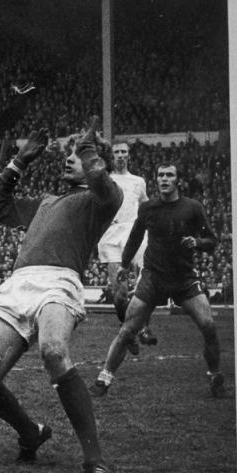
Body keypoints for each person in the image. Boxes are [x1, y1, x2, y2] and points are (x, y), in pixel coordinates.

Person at [0, 117, 121, 473]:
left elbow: (100, 179)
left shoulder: (103, 199)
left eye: (76, 156)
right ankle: (31, 431)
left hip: (58, 282)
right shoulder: (46, 203)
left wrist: (89, 149)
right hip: (19, 284)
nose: (68, 160)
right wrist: (19, 161)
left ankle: (95, 460)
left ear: (97, 162)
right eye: (68, 155)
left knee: (54, 351)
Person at [90, 163, 225, 398]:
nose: (164, 179)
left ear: (177, 180)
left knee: (209, 326)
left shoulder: (193, 208)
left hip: (184, 278)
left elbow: (212, 240)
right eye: (160, 175)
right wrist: (123, 265)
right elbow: (134, 238)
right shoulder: (148, 208)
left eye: (169, 175)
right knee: (127, 329)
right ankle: (104, 379)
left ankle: (215, 377)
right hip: (154, 278)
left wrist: (198, 242)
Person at [96, 141, 155, 354]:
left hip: (134, 232)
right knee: (119, 294)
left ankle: (143, 327)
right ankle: (127, 329)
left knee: (144, 283)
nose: (120, 155)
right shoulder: (105, 180)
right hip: (110, 234)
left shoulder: (138, 181)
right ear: (111, 156)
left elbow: (146, 206)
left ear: (129, 155)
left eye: (124, 152)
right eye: (117, 152)